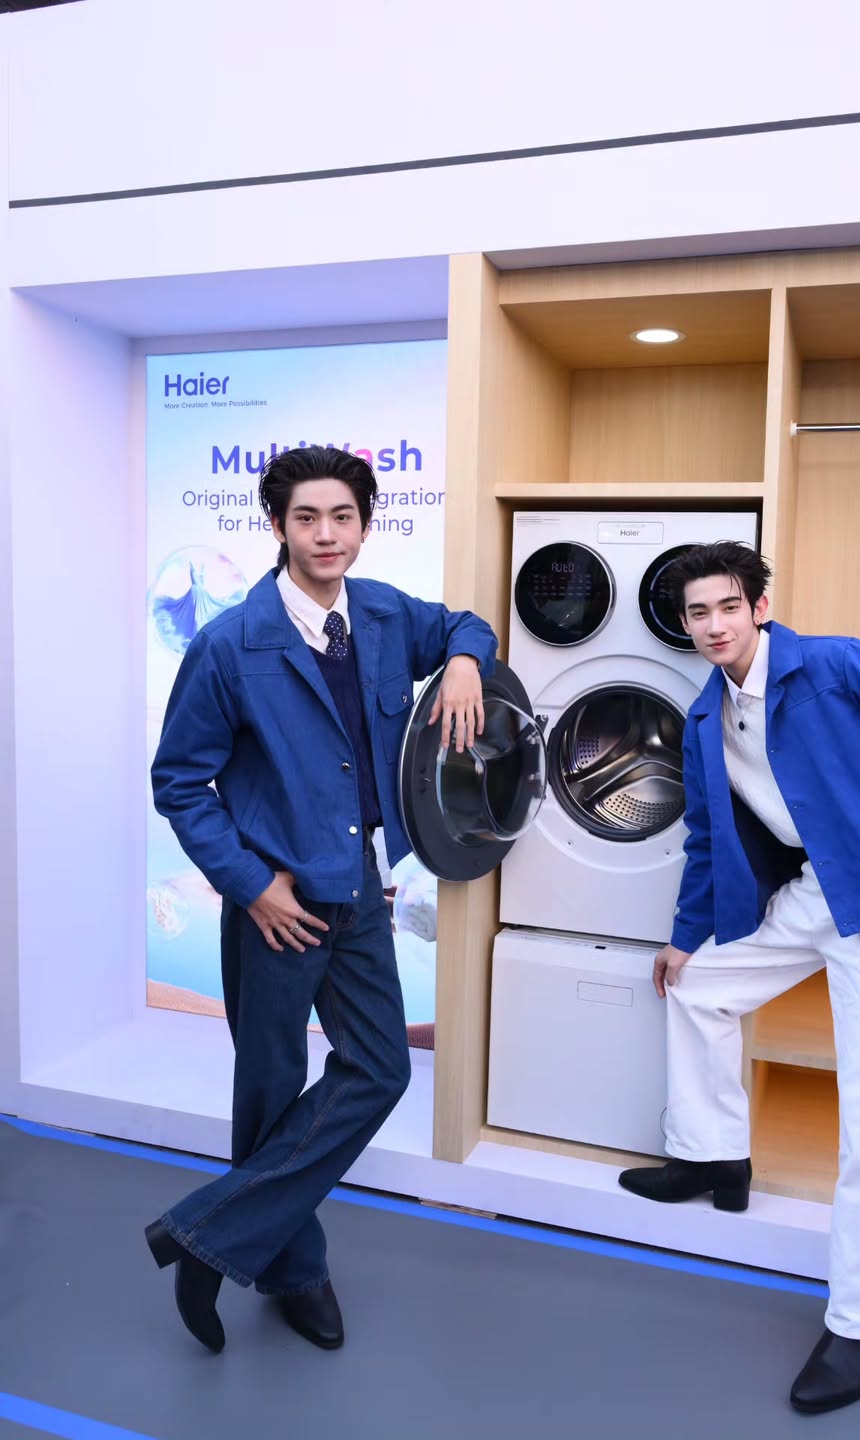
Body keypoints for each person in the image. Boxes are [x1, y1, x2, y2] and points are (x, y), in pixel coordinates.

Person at [618, 541, 860, 1415]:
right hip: (815, 894)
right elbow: (706, 839)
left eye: (727, 607)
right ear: (684, 624)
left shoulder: (832, 666)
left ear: (759, 606)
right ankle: (713, 1156)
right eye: (697, 613)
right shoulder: (705, 716)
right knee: (696, 987)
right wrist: (684, 939)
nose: (714, 625)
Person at [146, 445, 496, 1354]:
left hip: (362, 890)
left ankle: (207, 1236)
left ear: (365, 525)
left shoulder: (383, 615)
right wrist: (251, 885)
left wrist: (463, 661)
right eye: (307, 518)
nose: (326, 534)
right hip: (279, 903)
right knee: (271, 1088)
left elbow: (467, 624)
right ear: (278, 527)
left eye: (343, 516)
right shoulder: (231, 643)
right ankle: (294, 1270)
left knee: (379, 1068)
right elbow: (179, 780)